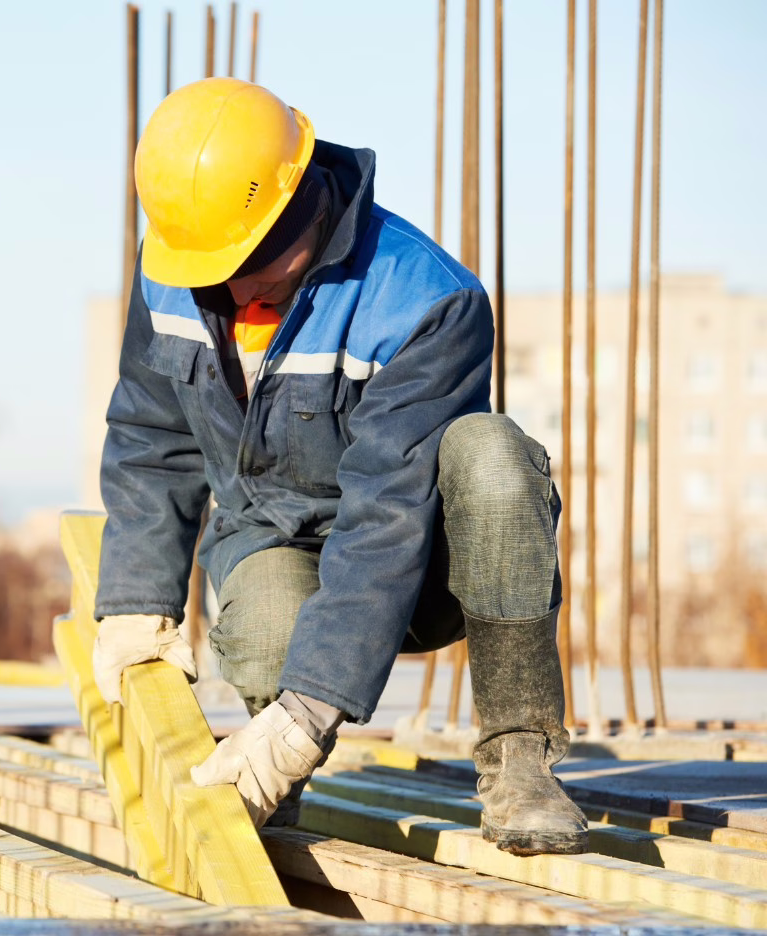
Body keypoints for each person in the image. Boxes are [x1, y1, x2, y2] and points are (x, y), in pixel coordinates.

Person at [91, 77, 587, 856]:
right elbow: (152, 437)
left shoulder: (423, 300)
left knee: (492, 453)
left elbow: (386, 514)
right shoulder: (175, 275)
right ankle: (275, 783)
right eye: (211, 265)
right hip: (277, 543)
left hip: (421, 563)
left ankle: (520, 758)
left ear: (306, 202)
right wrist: (136, 600)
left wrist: (307, 716)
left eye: (247, 259)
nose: (229, 285)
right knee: (260, 623)